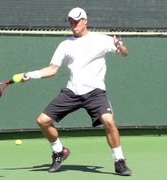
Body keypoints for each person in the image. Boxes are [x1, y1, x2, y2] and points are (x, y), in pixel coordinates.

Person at [16, 7, 132, 176]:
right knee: (42, 121)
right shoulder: (65, 45)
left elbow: (124, 54)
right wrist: (31, 74)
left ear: (85, 20)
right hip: (72, 92)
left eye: (76, 21)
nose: (73, 24)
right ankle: (59, 152)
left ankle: (119, 161)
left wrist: (120, 47)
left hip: (95, 93)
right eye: (71, 21)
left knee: (109, 122)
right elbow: (52, 69)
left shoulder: (102, 40)